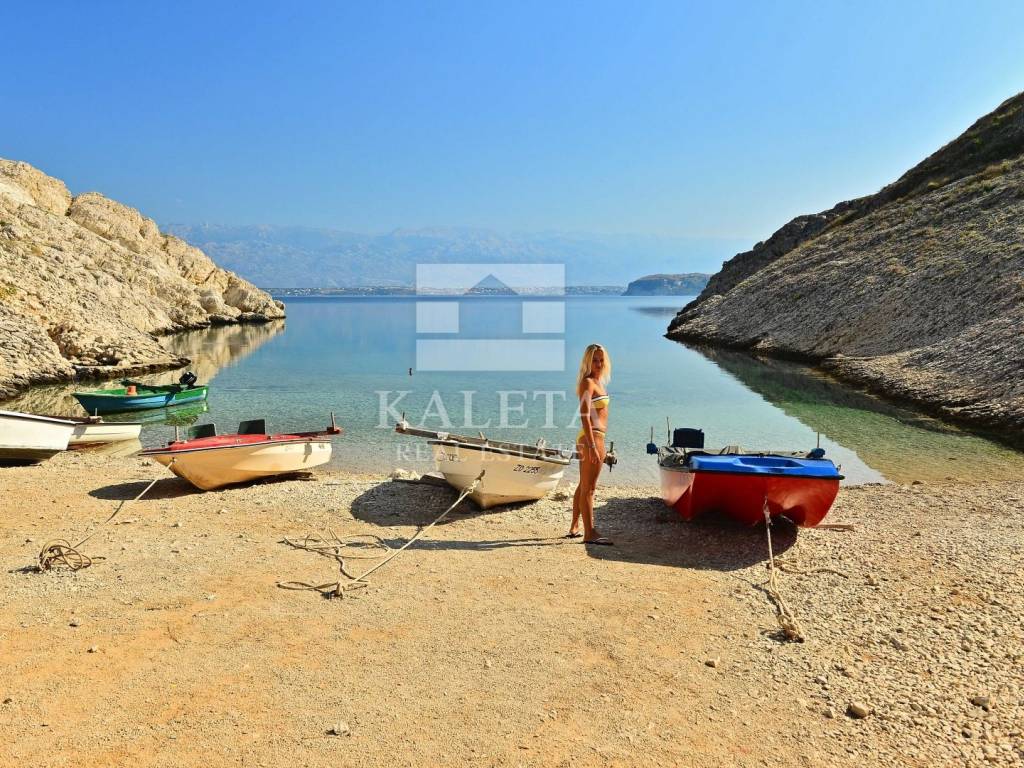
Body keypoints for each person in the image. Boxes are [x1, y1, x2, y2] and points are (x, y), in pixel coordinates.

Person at [569, 343, 613, 545]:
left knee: (583, 485)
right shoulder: (587, 382)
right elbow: (584, 416)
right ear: (587, 361)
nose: (598, 363)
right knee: (589, 489)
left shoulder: (598, 382)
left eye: (601, 360)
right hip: (591, 438)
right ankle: (590, 533)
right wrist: (593, 446)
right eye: (594, 360)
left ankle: (574, 526)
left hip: (593, 437)